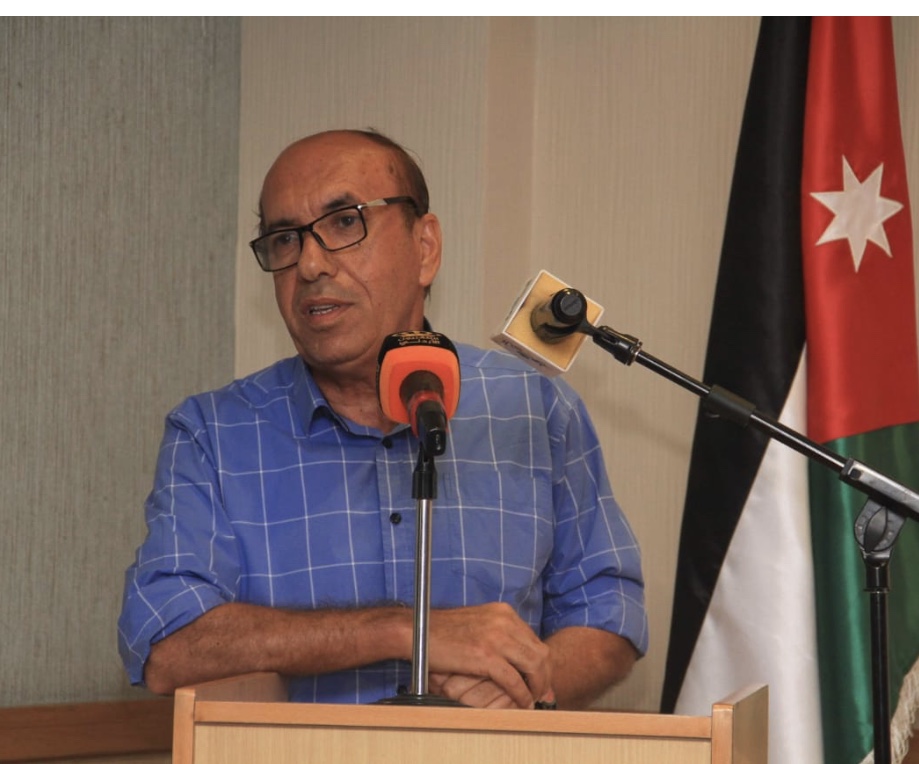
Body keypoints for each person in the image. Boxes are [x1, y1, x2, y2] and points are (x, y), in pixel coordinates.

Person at [118, 129, 647, 710]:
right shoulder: (214, 433)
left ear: (425, 247)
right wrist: (404, 630)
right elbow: (166, 642)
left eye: (345, 222)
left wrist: (524, 686)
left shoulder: (533, 409)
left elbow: (609, 614)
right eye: (285, 238)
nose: (310, 264)